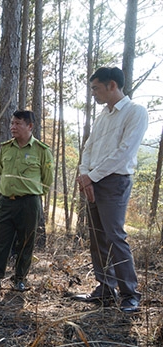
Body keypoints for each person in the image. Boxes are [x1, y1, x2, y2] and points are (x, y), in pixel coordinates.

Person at [74, 67, 148, 313]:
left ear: (112, 85)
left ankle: (130, 294)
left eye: (96, 88)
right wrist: (85, 175)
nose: (93, 93)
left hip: (115, 182)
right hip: (92, 181)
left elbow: (124, 152)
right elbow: (89, 147)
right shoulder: (102, 117)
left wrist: (91, 177)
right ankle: (105, 288)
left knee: (115, 236)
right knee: (97, 236)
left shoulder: (135, 112)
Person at [0, 110, 53, 292]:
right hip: (6, 202)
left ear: (30, 126)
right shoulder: (6, 148)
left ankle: (19, 279)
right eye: (12, 123)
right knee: (1, 240)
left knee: (25, 242)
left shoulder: (41, 150)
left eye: (18, 124)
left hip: (29, 203)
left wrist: (33, 195)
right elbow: (1, 170)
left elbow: (47, 180)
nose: (13, 127)